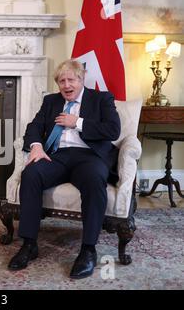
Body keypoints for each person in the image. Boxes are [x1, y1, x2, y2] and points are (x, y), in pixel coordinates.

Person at [7, 59, 121, 279]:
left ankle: (88, 249)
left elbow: (113, 130)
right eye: (61, 81)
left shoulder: (101, 99)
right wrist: (37, 146)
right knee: (31, 174)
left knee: (94, 178)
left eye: (71, 80)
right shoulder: (51, 101)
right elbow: (34, 127)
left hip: (89, 156)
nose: (66, 85)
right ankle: (29, 244)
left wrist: (76, 122)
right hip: (57, 156)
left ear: (81, 79)